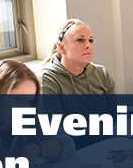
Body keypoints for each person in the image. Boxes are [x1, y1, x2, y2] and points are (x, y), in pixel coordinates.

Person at [39, 19, 116, 148]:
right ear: (62, 47)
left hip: (105, 146)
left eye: (90, 40)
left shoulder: (102, 73)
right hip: (71, 151)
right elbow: (57, 130)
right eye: (80, 40)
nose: (88, 45)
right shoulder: (47, 79)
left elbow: (114, 119)